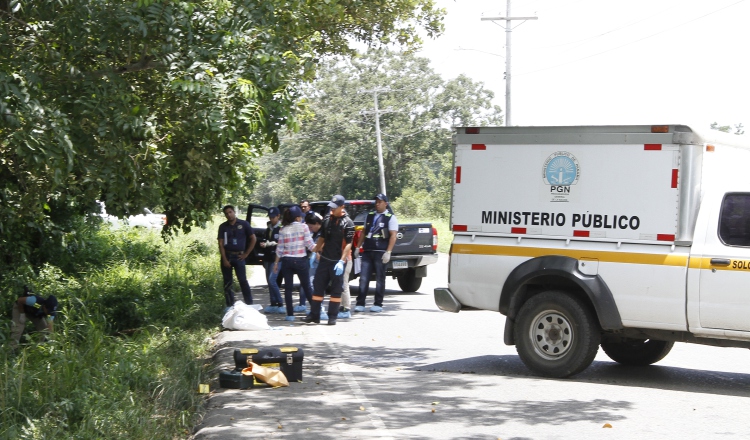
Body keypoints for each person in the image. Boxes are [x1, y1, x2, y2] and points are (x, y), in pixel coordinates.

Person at [306, 195, 355, 325]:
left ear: (342, 207)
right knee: (318, 287)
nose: (332, 210)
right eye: (331, 207)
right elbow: (322, 237)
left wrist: (341, 261)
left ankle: (332, 316)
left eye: (335, 208)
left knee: (336, 290)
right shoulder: (327, 219)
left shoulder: (348, 223)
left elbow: (349, 244)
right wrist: (315, 251)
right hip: (325, 259)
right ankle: (314, 315)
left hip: (338, 261)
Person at [354, 193, 398, 313]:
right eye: (376, 202)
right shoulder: (370, 215)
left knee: (380, 278)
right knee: (363, 278)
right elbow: (363, 232)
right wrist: (358, 247)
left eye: (380, 202)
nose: (377, 204)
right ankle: (360, 303)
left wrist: (388, 252)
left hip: (381, 251)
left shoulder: (390, 217)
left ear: (386, 203)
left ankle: (378, 303)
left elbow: (393, 236)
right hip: (368, 250)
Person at [274, 205, 316, 322]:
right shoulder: (304, 227)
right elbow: (310, 245)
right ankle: (315, 310)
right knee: (307, 286)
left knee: (288, 288)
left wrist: (276, 263)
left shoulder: (283, 229)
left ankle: (290, 314)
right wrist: (320, 249)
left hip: (287, 261)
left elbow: (280, 248)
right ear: (297, 218)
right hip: (301, 260)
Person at [218, 205, 256, 309]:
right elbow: (221, 244)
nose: (229, 215)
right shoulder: (223, 226)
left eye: (230, 212)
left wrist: (246, 253)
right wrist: (224, 259)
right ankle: (229, 306)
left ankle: (249, 304)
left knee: (243, 281)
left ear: (234, 212)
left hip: (239, 256)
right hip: (227, 256)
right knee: (228, 282)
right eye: (226, 213)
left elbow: (253, 239)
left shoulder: (244, 224)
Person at [10, 286, 58, 350]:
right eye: (48, 310)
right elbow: (20, 300)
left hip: (34, 313)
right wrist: (22, 314)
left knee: (43, 329)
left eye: (51, 311)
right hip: (20, 308)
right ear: (44, 306)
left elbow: (50, 327)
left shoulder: (50, 313)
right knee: (18, 329)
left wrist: (53, 342)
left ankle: (37, 348)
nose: (49, 313)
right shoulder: (34, 301)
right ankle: (11, 349)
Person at [261, 207, 284, 314]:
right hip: (268, 257)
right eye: (270, 217)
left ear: (278, 216)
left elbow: (280, 243)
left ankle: (280, 303)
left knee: (272, 280)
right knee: (269, 282)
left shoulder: (281, 228)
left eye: (273, 217)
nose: (271, 219)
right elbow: (266, 239)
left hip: (277, 258)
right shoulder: (268, 228)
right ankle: (273, 303)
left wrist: (268, 244)